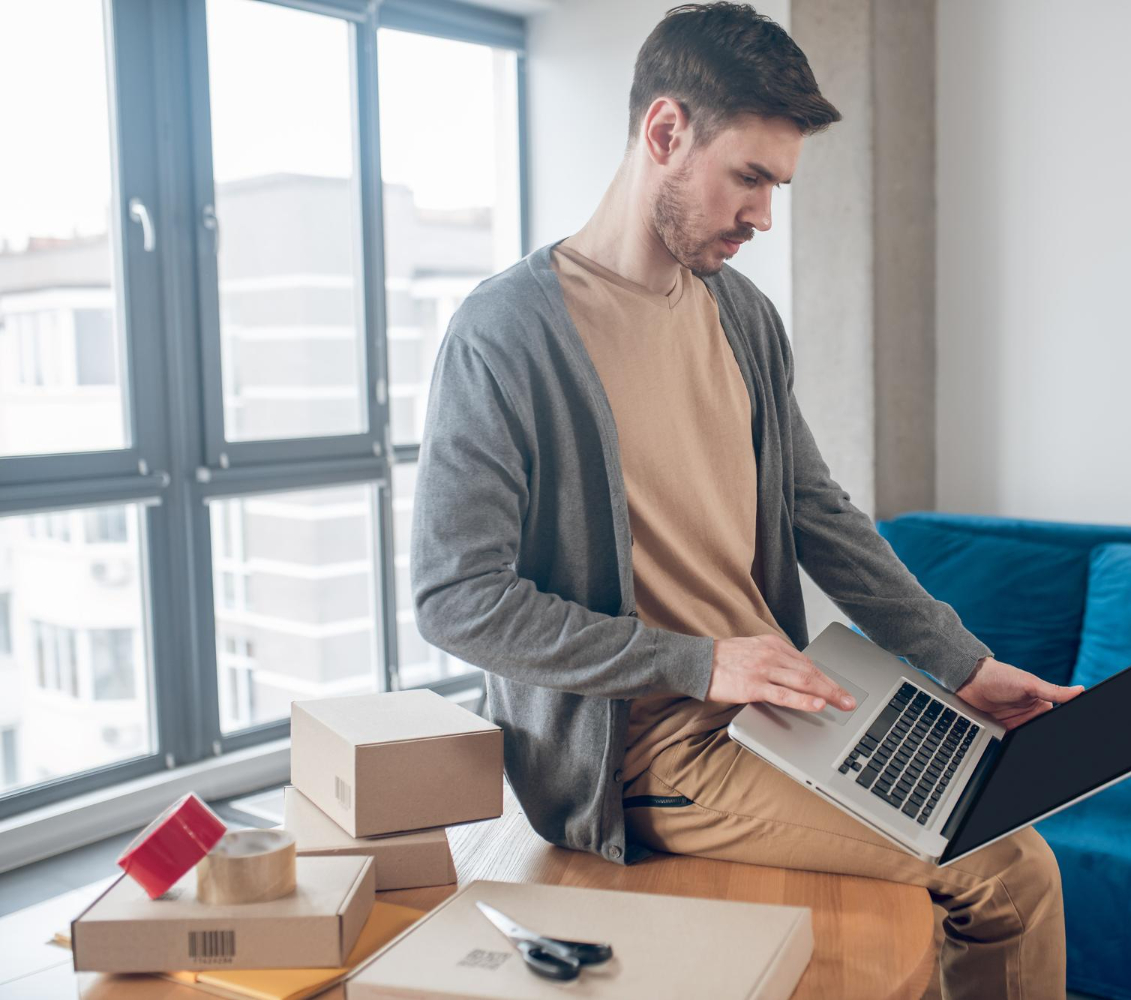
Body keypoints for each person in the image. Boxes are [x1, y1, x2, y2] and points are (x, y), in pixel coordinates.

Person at [411, 4, 1083, 996]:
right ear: (666, 133)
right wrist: (696, 661)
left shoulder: (742, 316)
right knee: (1009, 867)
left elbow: (821, 513)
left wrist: (963, 662)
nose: (765, 217)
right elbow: (455, 597)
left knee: (985, 791)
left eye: (778, 185)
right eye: (752, 178)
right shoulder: (506, 336)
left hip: (782, 704)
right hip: (642, 753)